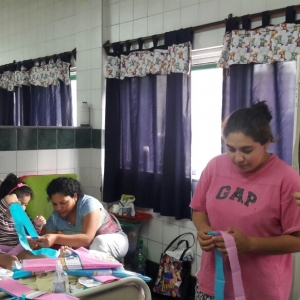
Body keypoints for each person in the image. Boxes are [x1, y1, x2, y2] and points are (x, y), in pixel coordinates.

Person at [190, 101, 300, 300]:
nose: (237, 158)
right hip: (213, 283)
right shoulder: (215, 166)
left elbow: (297, 240)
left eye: (247, 150)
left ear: (266, 143)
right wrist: (203, 228)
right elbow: (199, 209)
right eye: (231, 148)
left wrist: (251, 244)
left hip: (261, 290)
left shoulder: (287, 179)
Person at [31, 177, 129, 261]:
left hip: (115, 241)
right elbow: (45, 237)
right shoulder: (56, 216)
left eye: (63, 203)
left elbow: (87, 239)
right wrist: (35, 243)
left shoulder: (89, 204)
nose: (58, 208)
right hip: (87, 251)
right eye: (54, 204)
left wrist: (55, 237)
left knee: (99, 242)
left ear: (75, 196)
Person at [0, 173, 46, 266]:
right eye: (21, 203)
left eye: (26, 205)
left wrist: (37, 225)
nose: (23, 208)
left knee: (40, 257)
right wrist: (5, 201)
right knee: (12, 261)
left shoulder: (21, 216)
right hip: (1, 253)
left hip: (17, 250)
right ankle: (14, 278)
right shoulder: (1, 215)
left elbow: (29, 234)